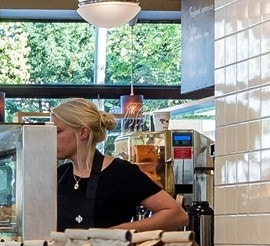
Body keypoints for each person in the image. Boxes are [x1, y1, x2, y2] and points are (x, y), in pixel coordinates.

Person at [53, 98, 187, 233]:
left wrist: (118, 231)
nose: (52, 137)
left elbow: (177, 215)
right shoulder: (60, 174)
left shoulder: (120, 172)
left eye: (58, 131)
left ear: (83, 132)